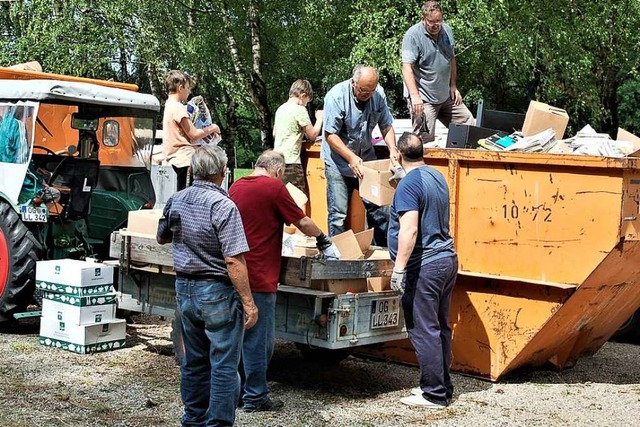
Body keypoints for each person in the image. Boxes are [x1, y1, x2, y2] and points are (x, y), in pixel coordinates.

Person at [157, 145, 259, 426]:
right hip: (216, 292)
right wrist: (249, 302)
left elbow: (161, 237)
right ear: (223, 173)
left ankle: (193, 419)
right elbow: (234, 260)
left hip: (185, 289)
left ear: (191, 171)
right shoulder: (224, 206)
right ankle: (218, 424)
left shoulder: (176, 200)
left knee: (193, 363)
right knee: (224, 366)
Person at [229, 149, 337, 413]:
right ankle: (255, 397)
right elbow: (301, 221)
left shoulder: (235, 186)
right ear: (278, 171)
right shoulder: (274, 188)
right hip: (261, 276)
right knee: (259, 341)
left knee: (236, 338)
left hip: (235, 273)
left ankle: (237, 392)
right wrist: (324, 239)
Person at [387, 132, 458, 408]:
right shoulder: (436, 176)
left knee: (423, 329)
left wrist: (399, 270)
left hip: (424, 265)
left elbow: (411, 229)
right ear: (423, 152)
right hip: (446, 259)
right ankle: (443, 386)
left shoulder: (408, 186)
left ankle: (434, 394)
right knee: (440, 327)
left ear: (399, 155)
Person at [321, 65, 399, 245]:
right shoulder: (336, 97)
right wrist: (350, 157)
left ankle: (382, 253)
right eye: (364, 90)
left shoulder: (378, 94)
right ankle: (336, 261)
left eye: (372, 90)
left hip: (366, 162)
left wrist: (393, 148)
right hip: (338, 163)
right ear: (353, 83)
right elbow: (330, 135)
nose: (368, 94)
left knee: (378, 207)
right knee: (338, 214)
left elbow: (386, 126)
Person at [401, 1, 474, 144]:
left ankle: (463, 161)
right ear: (423, 19)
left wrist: (453, 86)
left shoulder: (447, 31)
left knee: (467, 124)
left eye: (439, 21)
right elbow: (406, 67)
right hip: (424, 98)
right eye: (431, 21)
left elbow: (451, 59)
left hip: (445, 95)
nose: (435, 25)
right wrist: (415, 96)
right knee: (424, 141)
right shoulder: (412, 36)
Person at [162, 70, 221, 191]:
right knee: (188, 194)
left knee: (183, 193)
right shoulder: (178, 108)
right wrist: (212, 128)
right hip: (185, 158)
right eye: (188, 88)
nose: (189, 92)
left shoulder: (169, 105)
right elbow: (193, 134)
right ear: (180, 88)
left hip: (177, 157)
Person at [273, 79, 323, 196]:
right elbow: (313, 135)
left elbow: (275, 133)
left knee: (281, 198)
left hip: (276, 161)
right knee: (299, 200)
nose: (306, 104)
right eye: (307, 101)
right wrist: (320, 118)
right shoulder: (299, 109)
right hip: (291, 162)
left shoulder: (281, 109)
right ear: (303, 95)